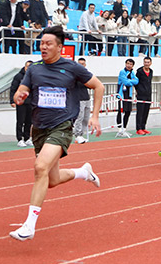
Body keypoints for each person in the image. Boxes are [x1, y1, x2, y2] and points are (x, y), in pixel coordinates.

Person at [10, 26, 104, 241]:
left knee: (40, 167)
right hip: (39, 128)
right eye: (41, 43)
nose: (43, 46)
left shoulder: (72, 68)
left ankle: (29, 226)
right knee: (51, 180)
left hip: (61, 126)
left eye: (48, 43)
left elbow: (98, 87)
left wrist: (95, 116)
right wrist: (19, 96)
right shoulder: (34, 69)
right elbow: (21, 90)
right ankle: (84, 172)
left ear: (60, 47)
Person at [10, 61, 33, 147]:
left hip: (30, 102)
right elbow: (13, 89)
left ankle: (27, 138)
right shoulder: (19, 76)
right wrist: (12, 101)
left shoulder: (34, 77)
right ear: (25, 67)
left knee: (29, 121)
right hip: (20, 102)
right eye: (28, 67)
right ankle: (20, 139)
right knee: (20, 121)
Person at [116, 59, 138, 138]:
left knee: (128, 111)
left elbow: (136, 81)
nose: (129, 65)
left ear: (133, 65)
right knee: (121, 111)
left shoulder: (132, 72)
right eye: (127, 63)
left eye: (130, 64)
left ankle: (124, 128)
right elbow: (126, 82)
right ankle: (119, 128)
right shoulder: (122, 72)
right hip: (122, 95)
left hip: (129, 95)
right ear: (125, 64)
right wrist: (130, 81)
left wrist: (131, 81)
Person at [73, 58, 92, 144]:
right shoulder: (74, 75)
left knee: (86, 118)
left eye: (83, 64)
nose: (81, 65)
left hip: (86, 98)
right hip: (78, 99)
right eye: (80, 63)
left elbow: (90, 84)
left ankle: (82, 134)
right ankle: (77, 135)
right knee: (79, 117)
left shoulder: (87, 74)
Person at [135, 56, 153, 135]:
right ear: (143, 63)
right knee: (140, 112)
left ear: (150, 63)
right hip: (141, 95)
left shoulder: (151, 71)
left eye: (148, 62)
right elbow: (136, 82)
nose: (146, 64)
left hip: (148, 95)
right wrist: (138, 90)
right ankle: (138, 128)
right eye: (145, 62)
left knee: (146, 111)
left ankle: (143, 127)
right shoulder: (139, 71)